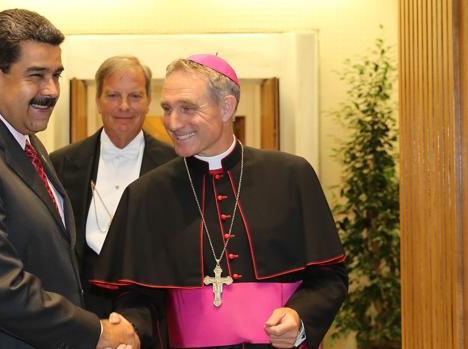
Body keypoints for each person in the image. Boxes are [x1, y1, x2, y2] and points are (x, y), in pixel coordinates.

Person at [0, 9, 138, 349]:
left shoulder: (28, 144)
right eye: (36, 75)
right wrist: (97, 332)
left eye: (56, 75)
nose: (51, 90)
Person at [90, 54, 348, 349]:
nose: (173, 123)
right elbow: (138, 296)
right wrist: (132, 330)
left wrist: (300, 318)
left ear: (226, 107)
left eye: (187, 108)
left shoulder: (291, 176)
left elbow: (330, 277)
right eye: (167, 108)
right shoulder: (147, 194)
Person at [50, 55, 176, 318]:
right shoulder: (60, 164)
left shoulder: (176, 166)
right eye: (113, 95)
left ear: (148, 101)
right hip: (80, 310)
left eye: (135, 96)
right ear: (97, 100)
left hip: (151, 310)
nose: (124, 106)